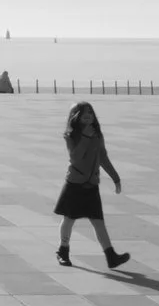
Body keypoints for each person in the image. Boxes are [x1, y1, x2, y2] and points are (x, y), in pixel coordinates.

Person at [55, 101, 130, 269]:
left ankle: (111, 256)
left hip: (92, 184)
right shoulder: (71, 135)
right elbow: (75, 158)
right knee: (69, 219)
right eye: (83, 112)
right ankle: (63, 250)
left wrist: (115, 177)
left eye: (90, 111)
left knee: (98, 221)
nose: (88, 115)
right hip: (75, 183)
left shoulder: (97, 134)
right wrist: (86, 137)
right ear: (76, 116)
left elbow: (103, 157)